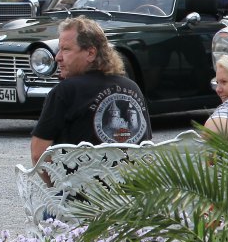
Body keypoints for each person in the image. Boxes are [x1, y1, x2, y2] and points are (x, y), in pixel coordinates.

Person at [29, 17, 152, 163]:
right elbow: (144, 148)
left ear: (90, 53)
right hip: (128, 177)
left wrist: (55, 179)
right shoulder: (132, 87)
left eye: (66, 49)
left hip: (79, 177)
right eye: (59, 49)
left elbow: (38, 154)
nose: (57, 57)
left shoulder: (65, 91)